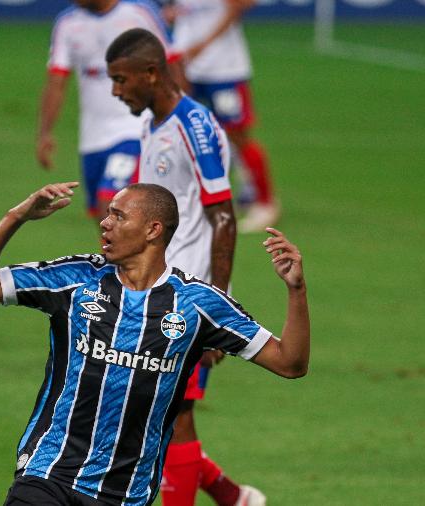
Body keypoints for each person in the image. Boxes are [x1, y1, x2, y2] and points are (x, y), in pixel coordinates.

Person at [0, 181, 310, 505]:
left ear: (153, 230)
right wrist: (17, 216)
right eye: (108, 214)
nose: (105, 223)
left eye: (118, 216)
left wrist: (296, 290)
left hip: (125, 493)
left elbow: (290, 363)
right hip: (48, 472)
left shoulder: (198, 304)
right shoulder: (77, 278)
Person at [106, 28, 261, 505]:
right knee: (148, 412)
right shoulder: (153, 124)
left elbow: (223, 215)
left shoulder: (193, 125)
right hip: (152, 291)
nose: (115, 91)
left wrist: (220, 308)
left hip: (188, 296)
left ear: (151, 73)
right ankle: (230, 495)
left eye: (121, 79)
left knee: (176, 415)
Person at [36, 0, 182, 225]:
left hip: (136, 126)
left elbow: (171, 62)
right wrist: (44, 132)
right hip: (93, 138)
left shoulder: (139, 13)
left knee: (112, 203)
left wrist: (181, 114)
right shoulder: (68, 23)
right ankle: (129, 261)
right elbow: (57, 80)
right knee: (103, 221)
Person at [166, 0, 279, 233]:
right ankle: (192, 200)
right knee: (183, 131)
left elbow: (244, 4)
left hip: (224, 70)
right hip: (187, 68)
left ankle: (265, 203)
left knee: (238, 135)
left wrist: (204, 44)